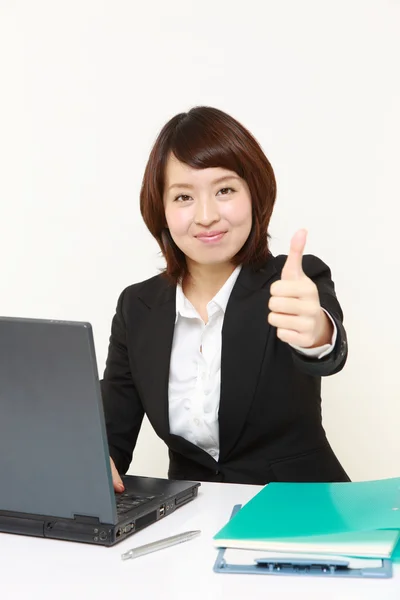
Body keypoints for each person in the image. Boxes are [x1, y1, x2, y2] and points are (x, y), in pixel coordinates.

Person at [100, 106, 349, 492]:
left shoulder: (294, 281)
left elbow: (326, 346)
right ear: (161, 210)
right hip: (191, 516)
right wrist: (96, 464)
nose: (205, 215)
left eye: (225, 190)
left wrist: (316, 330)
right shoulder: (137, 307)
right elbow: (111, 433)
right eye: (183, 196)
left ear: (254, 194)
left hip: (302, 511)